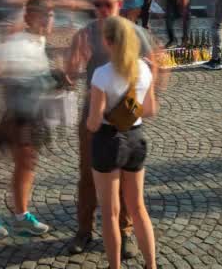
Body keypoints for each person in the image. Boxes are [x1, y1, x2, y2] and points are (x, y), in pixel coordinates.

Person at [64, 0, 154, 259]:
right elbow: (71, 70)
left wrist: (140, 98)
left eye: (107, 4)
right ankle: (84, 229)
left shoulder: (136, 33)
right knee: (87, 176)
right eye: (97, 4)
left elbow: (153, 66)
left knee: (126, 183)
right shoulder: (86, 33)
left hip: (126, 121)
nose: (102, 10)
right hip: (94, 115)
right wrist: (71, 65)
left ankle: (124, 232)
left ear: (120, 4)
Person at [86, 16, 160, 269]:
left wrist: (99, 114)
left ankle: (114, 266)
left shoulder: (101, 75)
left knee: (110, 212)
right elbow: (149, 109)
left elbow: (94, 123)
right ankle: (151, 265)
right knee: (138, 208)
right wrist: (128, 109)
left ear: (107, 42)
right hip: (136, 138)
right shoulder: (144, 68)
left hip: (107, 141)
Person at [0, 0, 59, 238]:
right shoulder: (20, 43)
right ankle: (14, 216)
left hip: (33, 113)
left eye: (50, 15)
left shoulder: (39, 40)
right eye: (43, 15)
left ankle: (13, 214)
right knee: (22, 165)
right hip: (21, 115)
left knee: (23, 165)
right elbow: (8, 77)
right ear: (29, 18)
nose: (48, 20)